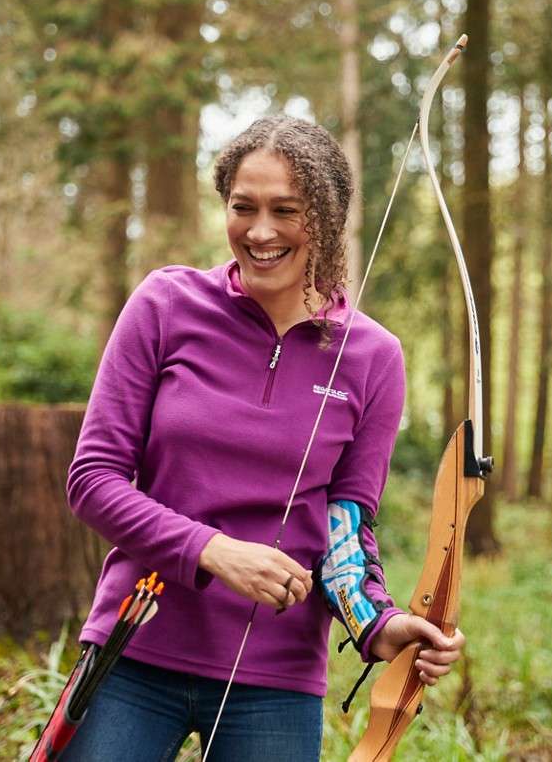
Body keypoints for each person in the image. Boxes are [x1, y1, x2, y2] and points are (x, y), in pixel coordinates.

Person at [63, 116, 465, 761]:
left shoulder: (373, 355)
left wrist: (379, 625)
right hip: (132, 653)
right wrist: (215, 552)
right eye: (242, 207)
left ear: (327, 218)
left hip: (274, 684)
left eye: (287, 210)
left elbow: (345, 528)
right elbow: (93, 481)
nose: (260, 231)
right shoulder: (165, 304)